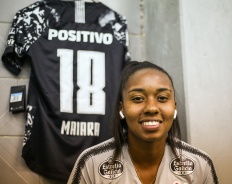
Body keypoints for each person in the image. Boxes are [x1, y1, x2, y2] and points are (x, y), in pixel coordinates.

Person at [67, 61, 219, 184]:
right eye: (138, 98)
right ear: (122, 108)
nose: (151, 108)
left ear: (174, 107)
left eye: (162, 98)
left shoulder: (200, 164)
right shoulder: (92, 163)